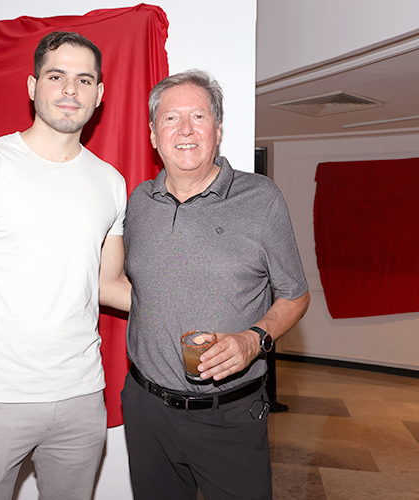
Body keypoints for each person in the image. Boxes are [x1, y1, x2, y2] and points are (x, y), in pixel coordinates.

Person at [0, 31, 130, 500]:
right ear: (33, 86)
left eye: (84, 79)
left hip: (81, 400)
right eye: (56, 76)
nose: (70, 89)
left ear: (99, 93)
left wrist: (192, 304)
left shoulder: (111, 182)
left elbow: (108, 284)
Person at [121, 70, 310, 500]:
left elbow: (295, 295)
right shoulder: (139, 202)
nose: (185, 130)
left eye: (199, 116)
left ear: (218, 130)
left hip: (229, 417)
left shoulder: (260, 199)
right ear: (153, 134)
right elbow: (140, 289)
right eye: (171, 118)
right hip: (147, 410)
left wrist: (252, 339)